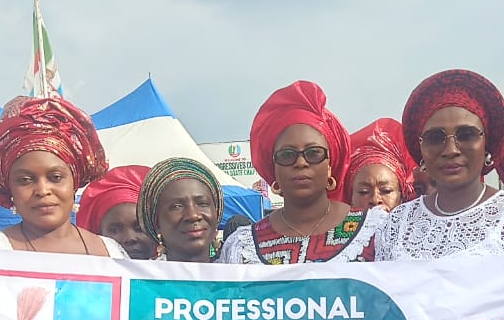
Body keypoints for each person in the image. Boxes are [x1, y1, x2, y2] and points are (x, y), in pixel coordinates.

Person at [375, 69, 504, 259]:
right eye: (435, 138)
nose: (451, 150)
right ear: (421, 149)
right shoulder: (397, 224)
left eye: (466, 135)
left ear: (486, 145)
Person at [220, 82, 382, 264]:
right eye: (287, 155)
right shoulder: (243, 246)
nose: (301, 162)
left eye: (314, 153)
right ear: (274, 168)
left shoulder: (377, 231)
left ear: (330, 165)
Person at [0, 96, 123, 257]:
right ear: (10, 189)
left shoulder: (111, 252)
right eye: (25, 180)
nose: (42, 190)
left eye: (55, 177)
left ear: (74, 183)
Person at [137, 158, 224, 263]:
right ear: (156, 223)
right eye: (177, 206)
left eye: (202, 204)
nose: (193, 215)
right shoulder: (140, 278)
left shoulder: (240, 276)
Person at [74, 164, 156, 259]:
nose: (129, 238)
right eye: (115, 230)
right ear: (99, 234)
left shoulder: (174, 271)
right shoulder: (81, 269)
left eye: (140, 228)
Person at [341, 117, 416, 213]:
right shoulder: (327, 227)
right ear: (350, 198)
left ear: (402, 196)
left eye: (386, 191)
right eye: (364, 192)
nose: (375, 200)